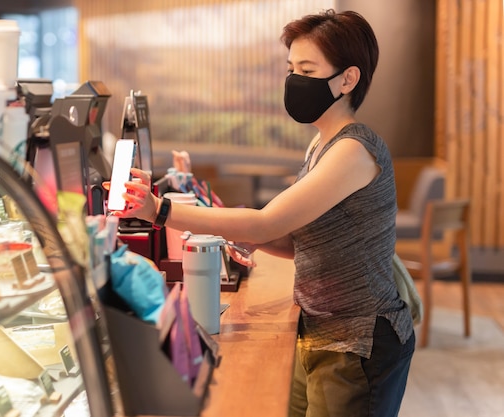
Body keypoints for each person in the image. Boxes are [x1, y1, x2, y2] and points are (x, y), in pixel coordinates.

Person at [116, 9, 414, 417]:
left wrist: (161, 210)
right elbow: (299, 241)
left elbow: (267, 220)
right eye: (291, 68)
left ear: (348, 79)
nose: (293, 80)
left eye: (307, 69)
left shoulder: (354, 151)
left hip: (357, 339)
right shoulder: (321, 144)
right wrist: (245, 238)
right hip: (319, 328)